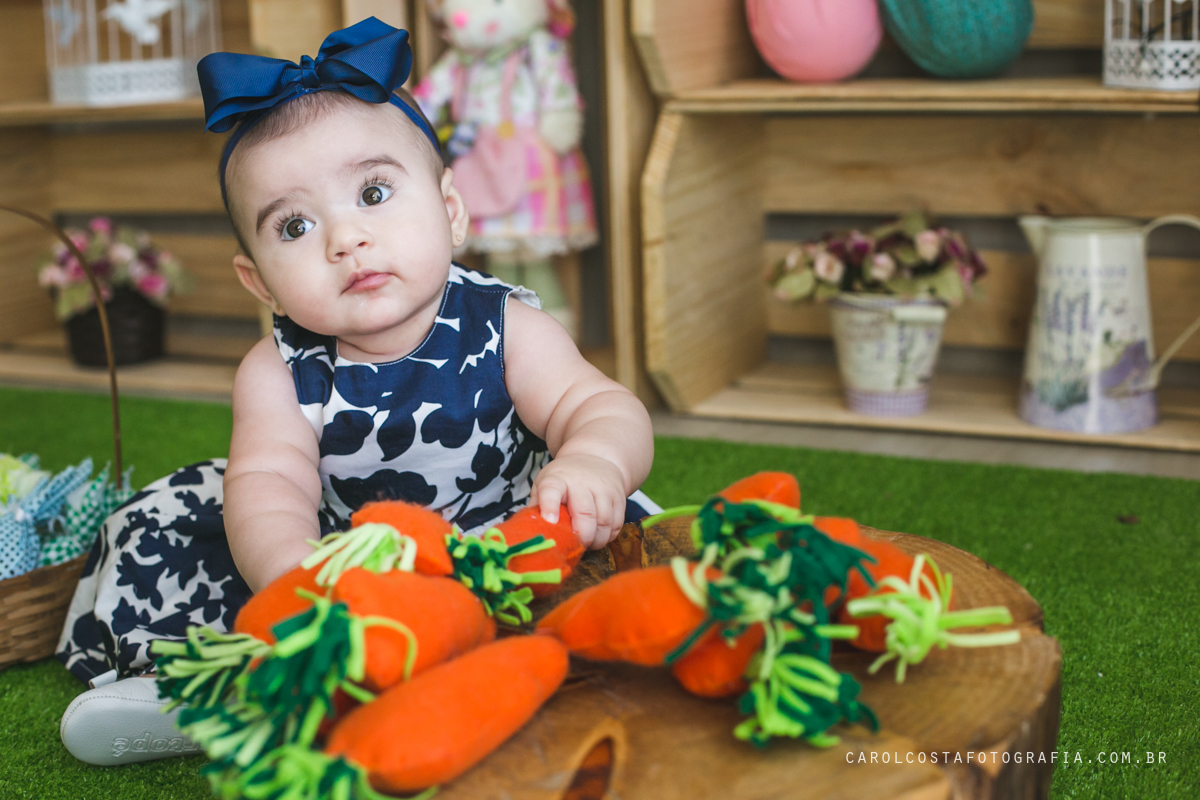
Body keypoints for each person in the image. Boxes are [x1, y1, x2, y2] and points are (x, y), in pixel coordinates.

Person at [55, 18, 655, 766]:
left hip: (509, 547)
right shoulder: (276, 370)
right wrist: (296, 576)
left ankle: (499, 671)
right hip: (348, 571)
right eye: (296, 225)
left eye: (373, 192)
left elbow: (599, 407)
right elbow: (270, 483)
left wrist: (594, 460)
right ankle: (221, 691)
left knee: (619, 566)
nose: (345, 238)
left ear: (452, 211)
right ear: (260, 282)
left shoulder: (506, 323)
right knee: (174, 535)